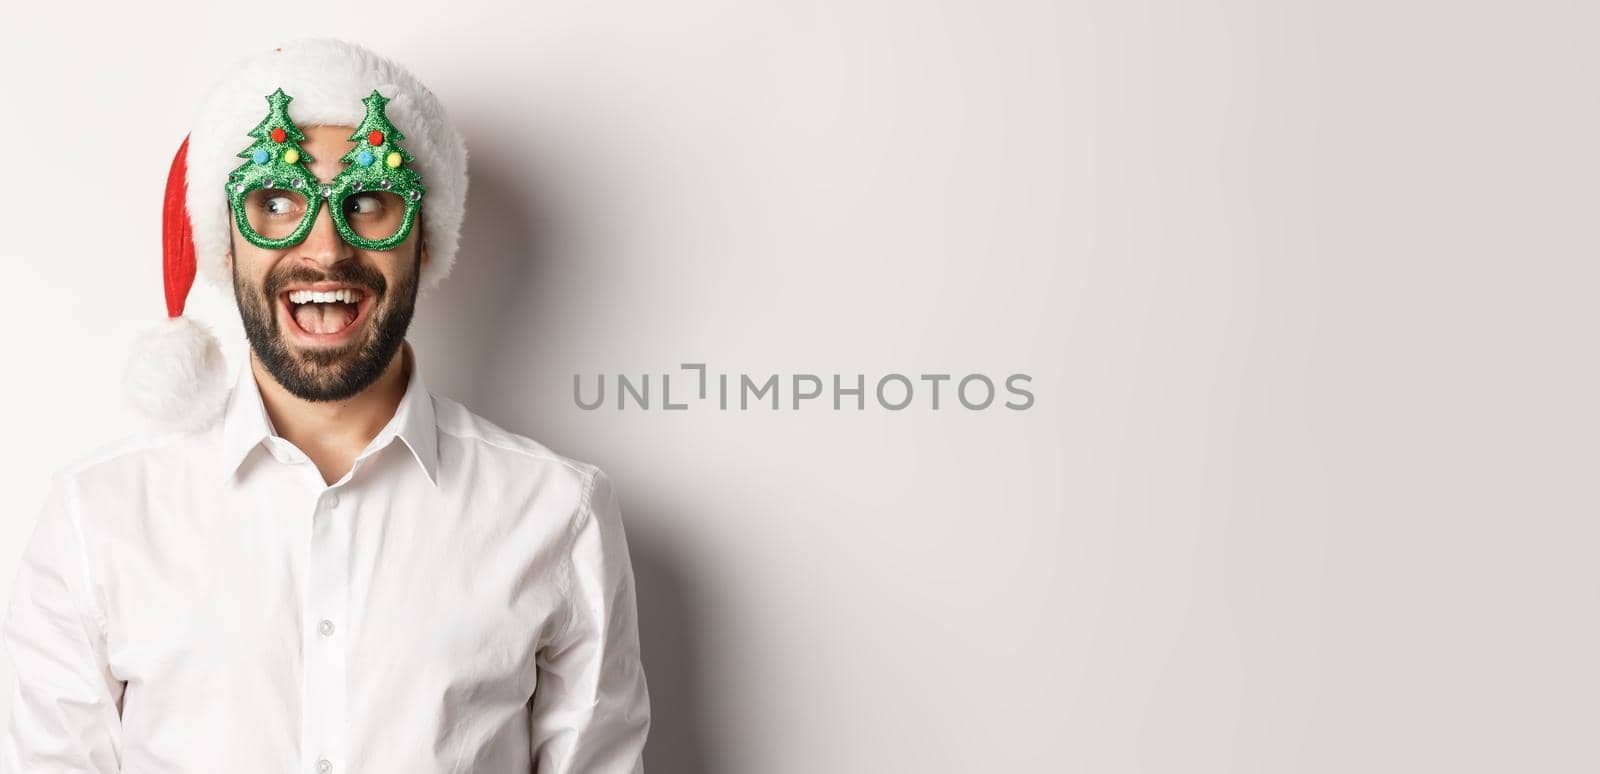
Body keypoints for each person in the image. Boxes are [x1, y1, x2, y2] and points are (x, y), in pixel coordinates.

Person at [0, 38, 650, 773]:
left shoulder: (558, 512)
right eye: (276, 202)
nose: (326, 248)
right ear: (224, 248)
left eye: (369, 201)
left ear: (426, 242)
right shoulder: (100, 518)